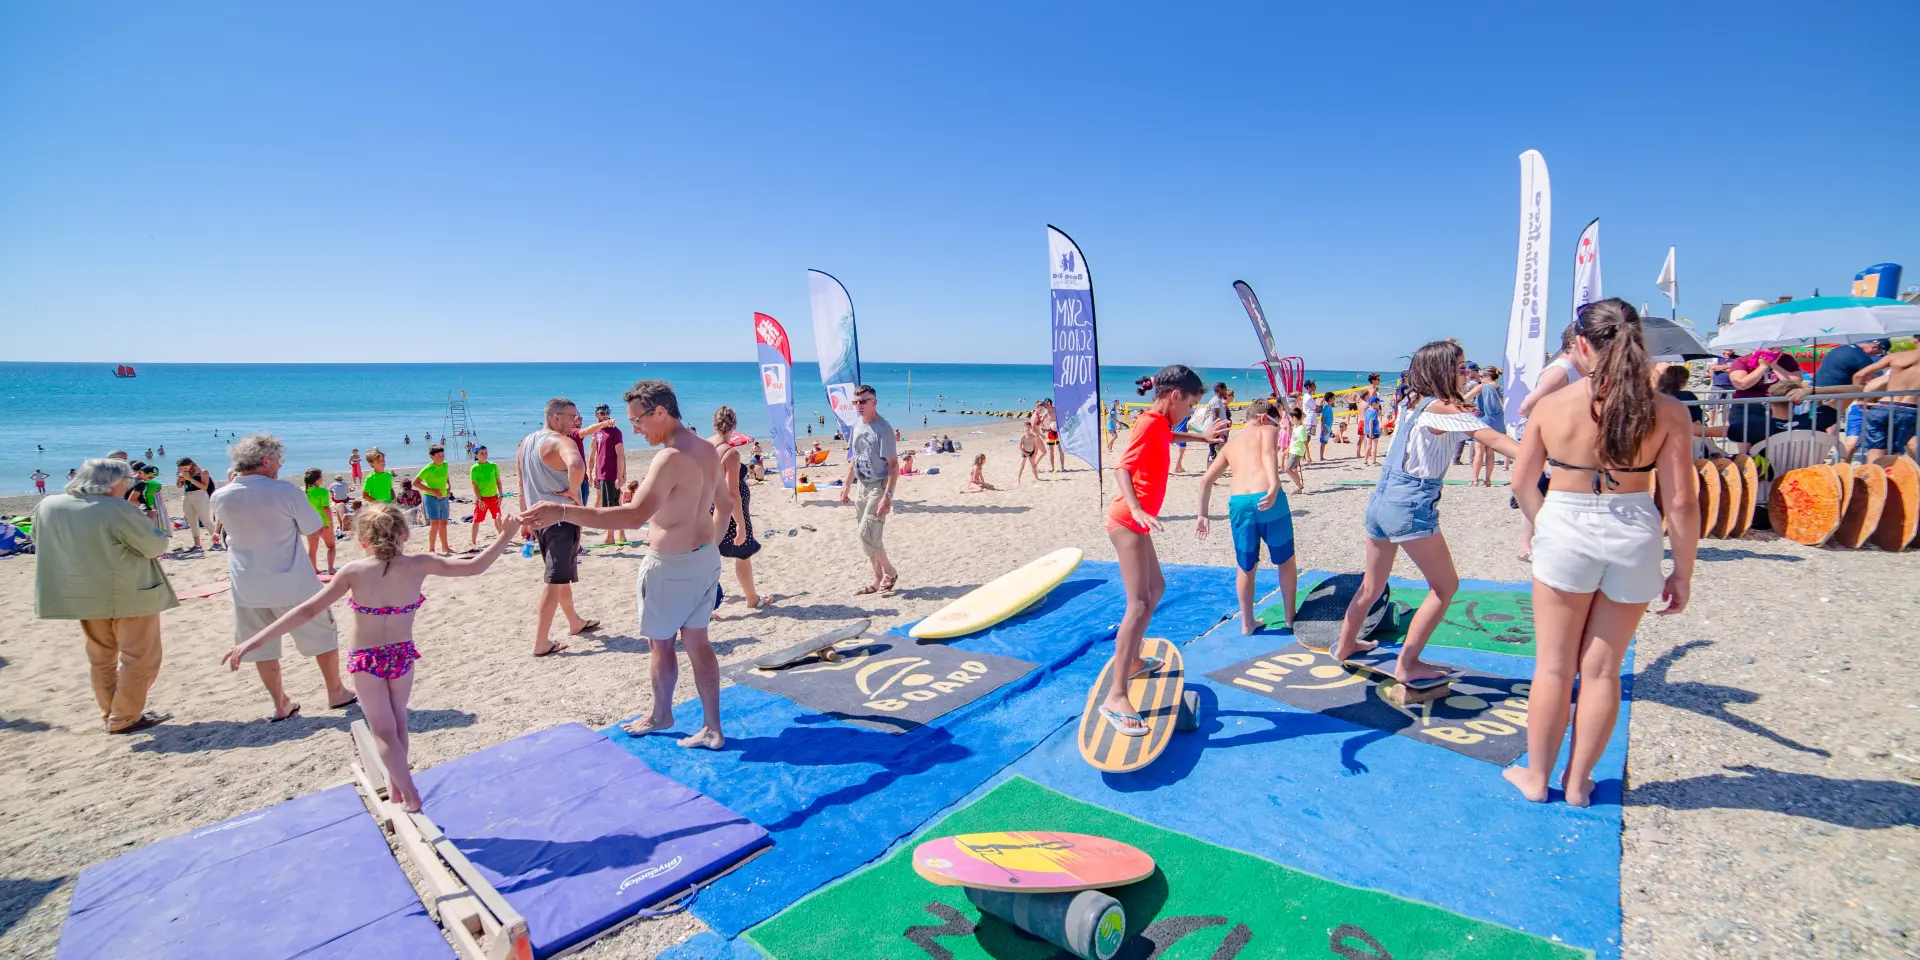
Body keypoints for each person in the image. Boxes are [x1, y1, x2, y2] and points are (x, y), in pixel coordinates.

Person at [1506, 299, 1696, 807]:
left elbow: (1523, 482)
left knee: (1552, 666)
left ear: (1583, 346)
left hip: (1567, 520)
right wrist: (1683, 571)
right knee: (1602, 669)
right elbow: (1680, 502)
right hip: (1634, 524)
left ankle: (1537, 778)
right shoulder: (1669, 411)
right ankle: (1577, 783)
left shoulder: (1553, 405)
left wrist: (1546, 521)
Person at [224, 502, 520, 811]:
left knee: (382, 730)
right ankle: (397, 786)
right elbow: (475, 566)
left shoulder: (354, 571)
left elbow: (308, 610)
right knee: (398, 723)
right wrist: (505, 535)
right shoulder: (419, 564)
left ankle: (409, 793)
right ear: (405, 533)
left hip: (367, 660)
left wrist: (255, 640)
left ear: (362, 540)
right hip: (401, 655)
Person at [524, 380, 728, 749]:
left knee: (661, 645)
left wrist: (562, 511)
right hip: (705, 559)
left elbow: (634, 517)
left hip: (671, 566)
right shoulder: (706, 449)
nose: (634, 429)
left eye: (638, 420)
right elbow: (725, 507)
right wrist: (707, 544)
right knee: (698, 643)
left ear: (661, 412)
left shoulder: (669, 457)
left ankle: (662, 714)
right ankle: (712, 728)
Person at [1332, 341, 1521, 681]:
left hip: (1381, 499)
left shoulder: (1418, 404)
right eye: (1461, 368)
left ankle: (1345, 645)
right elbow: (1492, 439)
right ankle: (1408, 664)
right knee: (1445, 587)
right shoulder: (1445, 408)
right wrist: (1548, 459)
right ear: (1442, 372)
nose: (1469, 374)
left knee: (1372, 585)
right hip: (1410, 503)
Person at [1102, 365, 1227, 736]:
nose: (1191, 410)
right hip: (1127, 520)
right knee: (1138, 603)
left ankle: (1136, 660)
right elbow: (1122, 469)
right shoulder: (1145, 423)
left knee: (1156, 591)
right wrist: (1138, 507)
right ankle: (1116, 694)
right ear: (1175, 396)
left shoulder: (1157, 422)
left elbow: (1169, 434)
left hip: (1137, 522)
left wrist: (1203, 438)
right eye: (1190, 403)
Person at [211, 436, 355, 720]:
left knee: (261, 644)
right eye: (278, 461)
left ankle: (280, 703)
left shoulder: (220, 495)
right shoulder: (284, 491)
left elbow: (223, 533)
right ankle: (335, 691)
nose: (279, 466)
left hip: (246, 583)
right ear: (266, 461)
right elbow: (312, 528)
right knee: (322, 634)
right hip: (292, 580)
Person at [32, 459, 176, 733]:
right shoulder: (117, 509)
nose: (127, 487)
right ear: (113, 482)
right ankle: (124, 717)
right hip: (129, 591)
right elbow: (154, 546)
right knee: (140, 658)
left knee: (101, 658)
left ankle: (112, 713)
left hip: (81, 592)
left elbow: (42, 541)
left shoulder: (48, 506)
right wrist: (150, 523)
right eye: (126, 482)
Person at [1198, 399, 1297, 634]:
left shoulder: (1231, 445)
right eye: (1276, 421)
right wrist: (1274, 485)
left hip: (1240, 503)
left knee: (1246, 566)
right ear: (1263, 418)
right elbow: (1268, 453)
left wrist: (1203, 514)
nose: (1278, 427)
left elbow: (1205, 481)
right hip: (1268, 498)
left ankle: (1247, 623)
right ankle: (1290, 618)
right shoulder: (1267, 429)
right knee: (1285, 560)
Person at [516, 398, 598, 656]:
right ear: (555, 417)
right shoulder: (562, 441)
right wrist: (574, 491)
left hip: (539, 518)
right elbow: (577, 465)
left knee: (561, 575)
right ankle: (541, 642)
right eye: (572, 416)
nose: (576, 421)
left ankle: (574, 621)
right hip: (560, 519)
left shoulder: (525, 443)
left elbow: (521, 484)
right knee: (553, 580)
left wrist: (525, 518)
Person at [842, 384, 901, 595]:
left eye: (863, 401)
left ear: (874, 402)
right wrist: (847, 485)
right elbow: (854, 458)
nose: (859, 405)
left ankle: (890, 571)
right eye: (856, 402)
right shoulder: (857, 425)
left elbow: (894, 465)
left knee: (866, 533)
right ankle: (877, 579)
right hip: (862, 486)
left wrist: (889, 496)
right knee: (870, 536)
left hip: (879, 486)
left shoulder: (883, 428)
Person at [709, 407, 765, 610]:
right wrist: (740, 524)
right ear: (734, 426)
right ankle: (751, 598)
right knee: (743, 555)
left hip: (707, 507)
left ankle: (705, 608)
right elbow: (732, 492)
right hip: (726, 510)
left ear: (713, 424)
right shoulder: (729, 453)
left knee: (707, 557)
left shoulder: (705, 445)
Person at [1725, 348, 1803, 449]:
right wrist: (1763, 366)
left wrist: (1774, 365)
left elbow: (1796, 383)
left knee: (1777, 443)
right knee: (1746, 443)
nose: (1774, 350)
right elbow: (1741, 384)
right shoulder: (1741, 361)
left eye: (1776, 347)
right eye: (1769, 348)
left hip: (1777, 406)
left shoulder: (1786, 359)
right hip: (1747, 406)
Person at [1859, 347, 1920, 457]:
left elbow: (1860, 375)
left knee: (1875, 450)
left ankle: (1873, 473)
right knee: (1894, 454)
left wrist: (1860, 398)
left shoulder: (1896, 357)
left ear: (1915, 340)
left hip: (1883, 406)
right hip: (1909, 410)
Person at [587, 403, 628, 546]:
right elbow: (593, 455)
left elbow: (620, 455)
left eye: (607, 412)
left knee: (610, 507)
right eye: (601, 412)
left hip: (611, 474)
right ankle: (621, 533)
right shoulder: (597, 432)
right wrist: (591, 472)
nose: (605, 414)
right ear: (596, 415)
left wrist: (620, 476)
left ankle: (610, 536)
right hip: (601, 474)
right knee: (613, 505)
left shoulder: (615, 432)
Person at [1471, 367, 1508, 486]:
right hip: (1498, 422)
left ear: (1487, 376)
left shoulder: (1482, 387)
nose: (1480, 379)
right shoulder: (1502, 388)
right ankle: (1487, 480)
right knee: (1490, 452)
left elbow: (1464, 399)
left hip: (1483, 421)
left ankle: (1475, 479)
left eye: (1481, 377)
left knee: (1479, 452)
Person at [415, 445, 453, 555]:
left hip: (444, 497)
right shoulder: (428, 469)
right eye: (439, 455)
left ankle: (445, 547)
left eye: (443, 455)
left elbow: (446, 476)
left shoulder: (445, 465)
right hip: (431, 498)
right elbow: (415, 483)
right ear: (431, 457)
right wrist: (433, 491)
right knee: (435, 524)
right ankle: (431, 549)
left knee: (444, 523)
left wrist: (449, 486)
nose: (442, 457)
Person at [301, 468, 337, 575]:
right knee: (331, 547)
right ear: (316, 480)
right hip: (322, 523)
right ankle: (331, 568)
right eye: (321, 477)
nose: (322, 479)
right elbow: (326, 508)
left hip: (309, 523)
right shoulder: (322, 491)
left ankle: (314, 570)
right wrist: (331, 523)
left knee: (312, 549)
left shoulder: (303, 491)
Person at [468, 445, 504, 548]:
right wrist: (480, 500)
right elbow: (474, 486)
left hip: (494, 498)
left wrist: (501, 496)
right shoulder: (474, 468)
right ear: (476, 455)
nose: (485, 455)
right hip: (482, 499)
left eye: (486, 453)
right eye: (482, 453)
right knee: (476, 520)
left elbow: (498, 482)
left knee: (498, 518)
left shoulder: (493, 466)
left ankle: (502, 538)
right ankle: (473, 543)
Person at [1203, 382, 1232, 464]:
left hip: (1218, 431)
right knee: (1214, 452)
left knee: (1215, 452)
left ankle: (1212, 470)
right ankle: (1211, 470)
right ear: (1220, 390)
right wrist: (1221, 433)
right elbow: (1216, 418)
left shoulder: (1218, 400)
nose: (1226, 391)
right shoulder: (1216, 401)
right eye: (1225, 389)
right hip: (1217, 432)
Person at [1282, 407, 1309, 492]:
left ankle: (1299, 486)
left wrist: (1308, 455)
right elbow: (1293, 440)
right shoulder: (1295, 427)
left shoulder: (1301, 428)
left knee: (1287, 469)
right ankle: (1299, 487)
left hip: (1297, 451)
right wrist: (1288, 449)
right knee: (1293, 469)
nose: (1289, 419)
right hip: (1293, 450)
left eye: (1290, 418)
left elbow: (1305, 442)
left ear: (1294, 418)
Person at [1361, 395, 1383, 466]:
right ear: (1374, 403)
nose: (1379, 404)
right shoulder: (1374, 411)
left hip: (1367, 430)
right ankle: (1374, 461)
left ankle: (1365, 461)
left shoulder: (1368, 410)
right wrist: (1371, 432)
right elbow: (1371, 421)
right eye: (1378, 403)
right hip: (1373, 431)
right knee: (1374, 447)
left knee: (1368, 446)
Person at [1316, 391, 1336, 460]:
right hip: (1326, 426)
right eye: (1333, 398)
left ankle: (1322, 456)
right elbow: (1322, 418)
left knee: (1325, 442)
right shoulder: (1326, 407)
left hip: (1328, 426)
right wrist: (1323, 428)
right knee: (1323, 442)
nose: (1334, 399)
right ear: (1330, 399)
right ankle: (1321, 457)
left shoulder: (1329, 406)